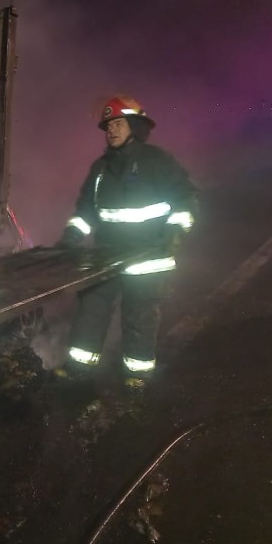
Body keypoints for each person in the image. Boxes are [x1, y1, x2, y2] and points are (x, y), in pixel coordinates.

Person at [57, 94, 197, 396]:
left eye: (119, 123)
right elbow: (86, 211)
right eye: (108, 125)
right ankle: (79, 368)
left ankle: (136, 374)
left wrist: (174, 233)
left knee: (139, 317)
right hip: (105, 256)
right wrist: (72, 235)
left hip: (149, 257)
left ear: (134, 126)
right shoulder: (100, 168)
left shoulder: (157, 161)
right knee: (90, 310)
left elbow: (185, 200)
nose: (112, 130)